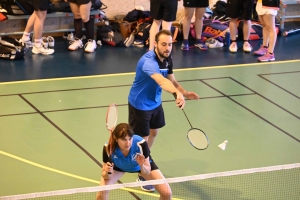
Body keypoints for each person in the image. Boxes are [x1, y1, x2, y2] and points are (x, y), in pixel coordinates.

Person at [128, 29, 199, 191]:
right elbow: (161, 81)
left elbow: (171, 79)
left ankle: (142, 157)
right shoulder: (148, 62)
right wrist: (176, 93)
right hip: (140, 105)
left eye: (170, 44)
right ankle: (142, 172)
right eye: (164, 44)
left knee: (154, 132)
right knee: (143, 139)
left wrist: (185, 93)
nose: (167, 48)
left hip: (154, 102)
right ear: (155, 44)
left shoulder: (167, 59)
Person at [96, 123, 172, 200]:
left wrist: (141, 165)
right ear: (116, 138)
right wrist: (107, 172)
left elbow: (147, 172)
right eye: (123, 139)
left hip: (140, 166)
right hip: (118, 167)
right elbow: (105, 175)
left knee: (167, 193)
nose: (128, 143)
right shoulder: (108, 148)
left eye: (130, 138)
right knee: (101, 192)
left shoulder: (141, 143)